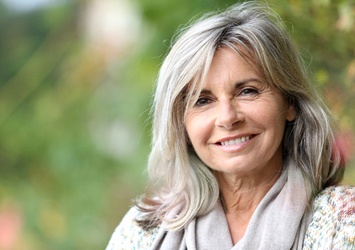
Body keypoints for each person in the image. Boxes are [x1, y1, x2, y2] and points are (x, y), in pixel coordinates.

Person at [106, 1, 355, 249]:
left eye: (247, 91)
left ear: (290, 102)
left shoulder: (343, 221)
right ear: (180, 125)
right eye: (202, 101)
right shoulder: (141, 233)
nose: (227, 117)